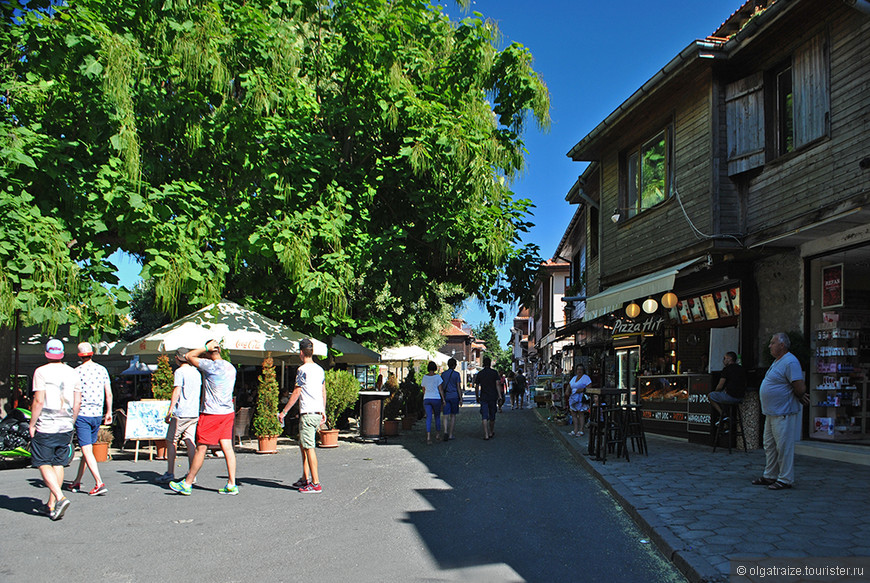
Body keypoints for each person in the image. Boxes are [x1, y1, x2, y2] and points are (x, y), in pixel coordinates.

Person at [169, 339, 238, 496]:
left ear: (208, 353)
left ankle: (187, 483)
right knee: (227, 448)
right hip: (227, 412)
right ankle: (232, 483)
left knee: (201, 447)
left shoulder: (210, 366)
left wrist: (204, 347)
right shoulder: (230, 367)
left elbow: (188, 356)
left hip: (212, 413)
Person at [29, 340, 80, 520]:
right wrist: (71, 421)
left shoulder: (41, 372)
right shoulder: (73, 372)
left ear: (46, 353)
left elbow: (39, 401)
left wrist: (32, 424)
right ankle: (52, 505)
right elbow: (77, 401)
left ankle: (59, 497)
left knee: (42, 461)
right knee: (58, 463)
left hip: (47, 424)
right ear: (62, 354)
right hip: (66, 424)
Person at [752, 333, 808, 491]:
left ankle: (785, 478)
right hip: (771, 413)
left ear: (782, 345)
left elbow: (798, 385)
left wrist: (801, 395)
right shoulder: (778, 362)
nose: (769, 346)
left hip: (783, 412)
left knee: (784, 446)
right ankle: (770, 474)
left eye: (772, 343)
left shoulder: (790, 362)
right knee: (769, 445)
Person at [278, 338, 326, 494]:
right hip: (317, 412)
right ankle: (305, 478)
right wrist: (323, 410)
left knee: (309, 447)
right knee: (303, 445)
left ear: (301, 352)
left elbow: (297, 391)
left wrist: (284, 412)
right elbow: (323, 390)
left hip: (307, 412)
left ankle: (315, 482)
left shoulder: (302, 370)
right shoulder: (319, 369)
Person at [69, 342, 112, 496]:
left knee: (86, 449)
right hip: (97, 414)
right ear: (92, 353)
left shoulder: (76, 372)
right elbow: (109, 392)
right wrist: (109, 411)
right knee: (87, 450)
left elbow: (73, 396)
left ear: (79, 356)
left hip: (82, 414)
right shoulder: (102, 370)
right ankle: (77, 480)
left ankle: (99, 482)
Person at [156, 348, 202, 484]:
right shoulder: (196, 372)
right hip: (194, 411)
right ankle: (192, 473)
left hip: (181, 412)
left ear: (177, 358)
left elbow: (177, 390)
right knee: (190, 440)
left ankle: (170, 472)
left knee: (171, 440)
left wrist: (170, 411)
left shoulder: (180, 372)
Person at [708, 351, 747, 423]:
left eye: (725, 358)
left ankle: (723, 415)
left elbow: (720, 385)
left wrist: (716, 391)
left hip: (730, 397)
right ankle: (727, 423)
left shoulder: (726, 369)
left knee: (711, 396)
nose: (723, 361)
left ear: (729, 358)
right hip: (741, 397)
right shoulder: (741, 369)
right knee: (723, 396)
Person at [474, 356, 500, 440]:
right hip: (493, 396)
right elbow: (497, 384)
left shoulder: (480, 373)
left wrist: (477, 396)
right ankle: (491, 432)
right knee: (492, 415)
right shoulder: (494, 373)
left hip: (484, 397)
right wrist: (499, 395)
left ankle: (485, 434)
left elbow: (477, 386)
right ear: (490, 364)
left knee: (484, 416)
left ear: (483, 364)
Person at [421, 361, 445, 444]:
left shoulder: (424, 377)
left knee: (428, 418)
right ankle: (437, 435)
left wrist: (426, 395)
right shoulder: (437, 377)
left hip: (427, 398)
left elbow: (423, 389)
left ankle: (428, 437)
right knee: (437, 417)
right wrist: (443, 399)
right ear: (435, 368)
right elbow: (440, 389)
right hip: (436, 398)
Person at [567, 364, 591, 437]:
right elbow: (569, 385)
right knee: (573, 413)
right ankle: (575, 429)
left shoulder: (585, 378)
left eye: (581, 369)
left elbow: (589, 386)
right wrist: (567, 391)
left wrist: (582, 389)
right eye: (578, 369)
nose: (579, 371)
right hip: (573, 397)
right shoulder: (574, 378)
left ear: (583, 370)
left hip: (580, 397)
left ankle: (581, 430)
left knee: (581, 413)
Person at [441, 358, 462, 440]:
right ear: (454, 365)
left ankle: (445, 431)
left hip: (446, 397)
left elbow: (441, 387)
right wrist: (460, 398)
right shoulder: (456, 374)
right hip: (454, 396)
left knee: (445, 415)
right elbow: (458, 387)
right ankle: (450, 434)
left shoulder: (443, 374)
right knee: (453, 416)